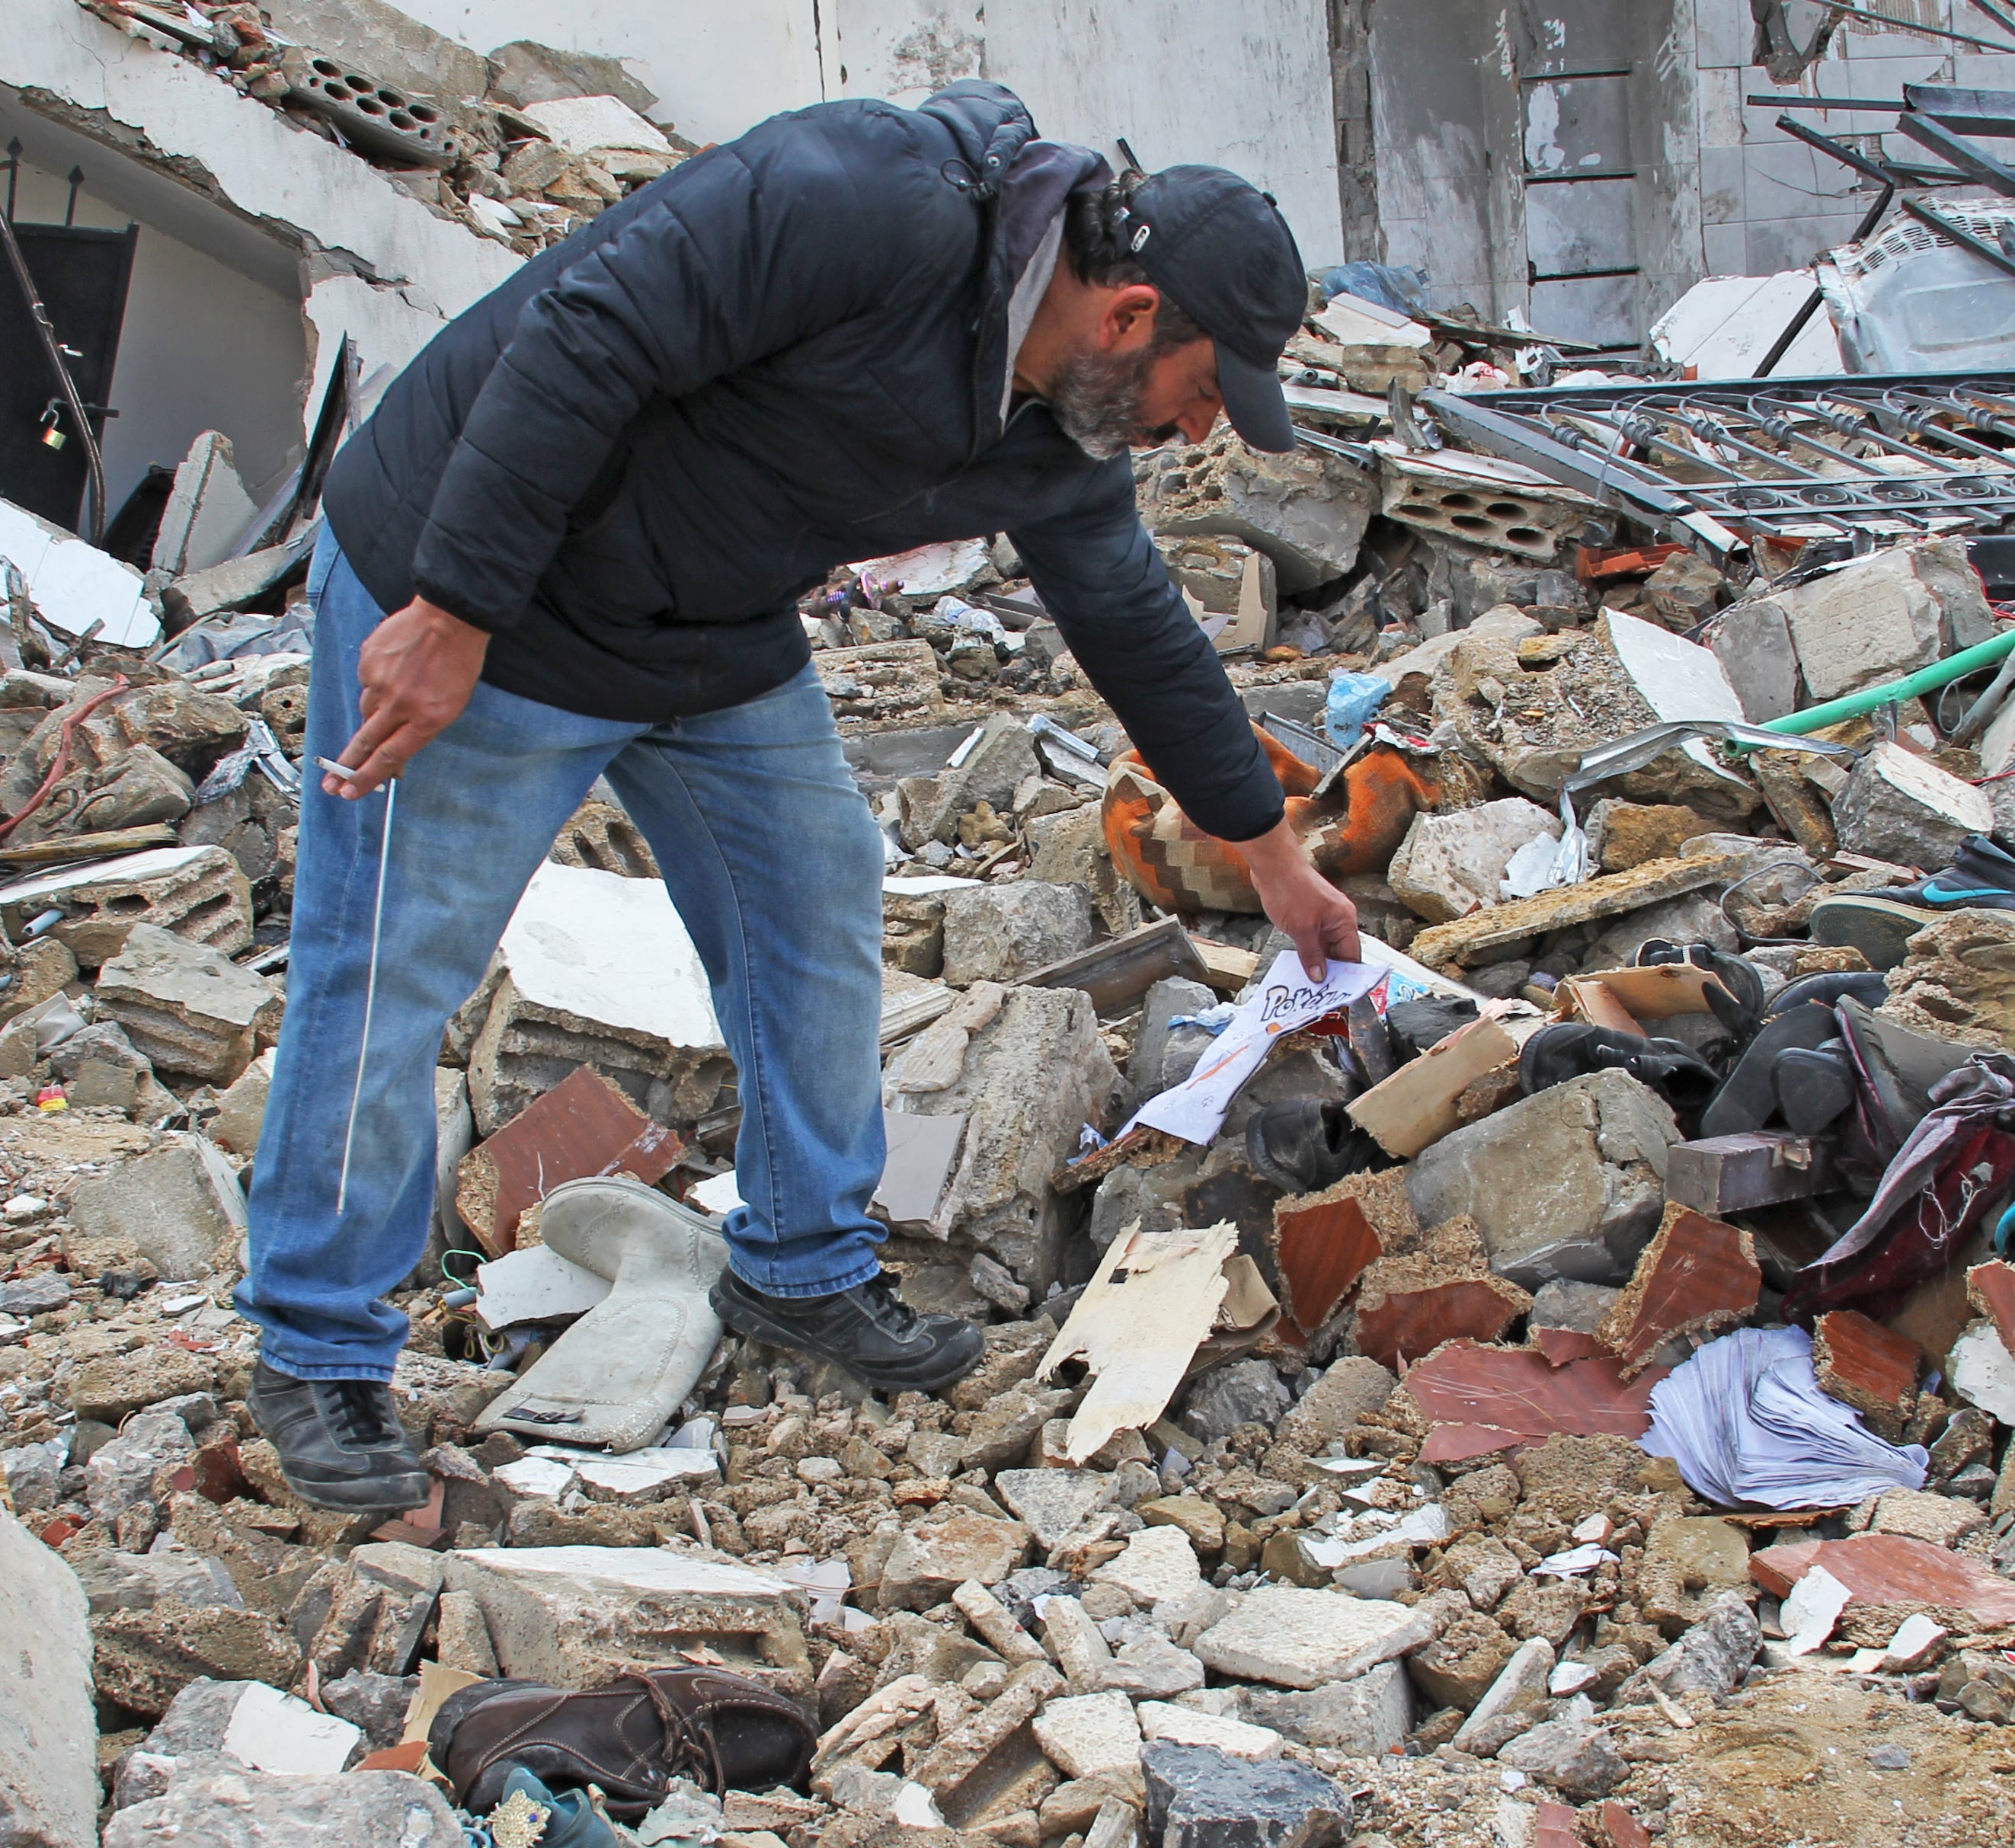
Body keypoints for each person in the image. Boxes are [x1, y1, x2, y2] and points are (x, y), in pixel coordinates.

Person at [234, 79, 1361, 1516]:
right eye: (1201, 392)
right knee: (389, 957)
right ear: (1130, 314)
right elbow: (590, 326)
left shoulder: (1059, 432)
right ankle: (322, 1351)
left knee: (818, 885)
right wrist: (453, 605)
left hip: (704, 626)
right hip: (484, 587)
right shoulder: (864, 202)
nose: (1191, 431)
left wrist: (1266, 853)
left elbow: (1135, 619)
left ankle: (803, 1267)